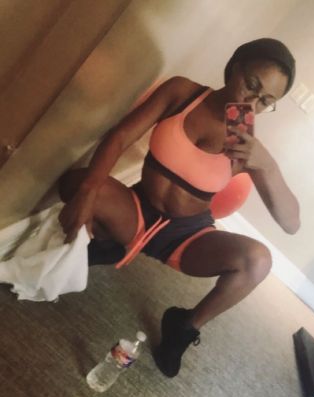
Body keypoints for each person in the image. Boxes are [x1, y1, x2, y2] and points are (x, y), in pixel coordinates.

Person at [57, 38, 301, 378]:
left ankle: (184, 326)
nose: (251, 102)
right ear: (235, 67)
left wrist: (267, 165)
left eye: (265, 101)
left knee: (258, 261)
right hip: (138, 208)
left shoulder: (245, 147)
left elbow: (291, 223)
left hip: (188, 236)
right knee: (75, 183)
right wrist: (88, 191)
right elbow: (120, 136)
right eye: (252, 85)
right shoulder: (182, 93)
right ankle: (112, 243)